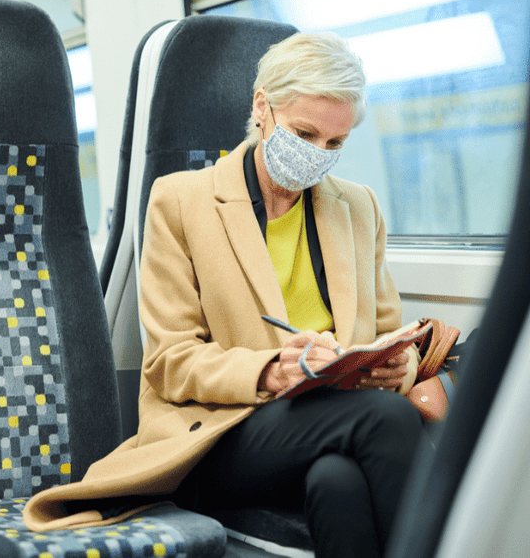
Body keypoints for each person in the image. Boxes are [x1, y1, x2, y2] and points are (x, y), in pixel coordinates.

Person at [23, 33, 424, 558]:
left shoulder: (358, 207)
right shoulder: (181, 200)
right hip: (218, 435)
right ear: (263, 107)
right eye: (305, 133)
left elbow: (391, 333)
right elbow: (170, 360)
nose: (319, 156)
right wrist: (272, 370)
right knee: (387, 418)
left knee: (337, 482)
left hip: (329, 428)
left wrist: (401, 367)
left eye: (335, 144)